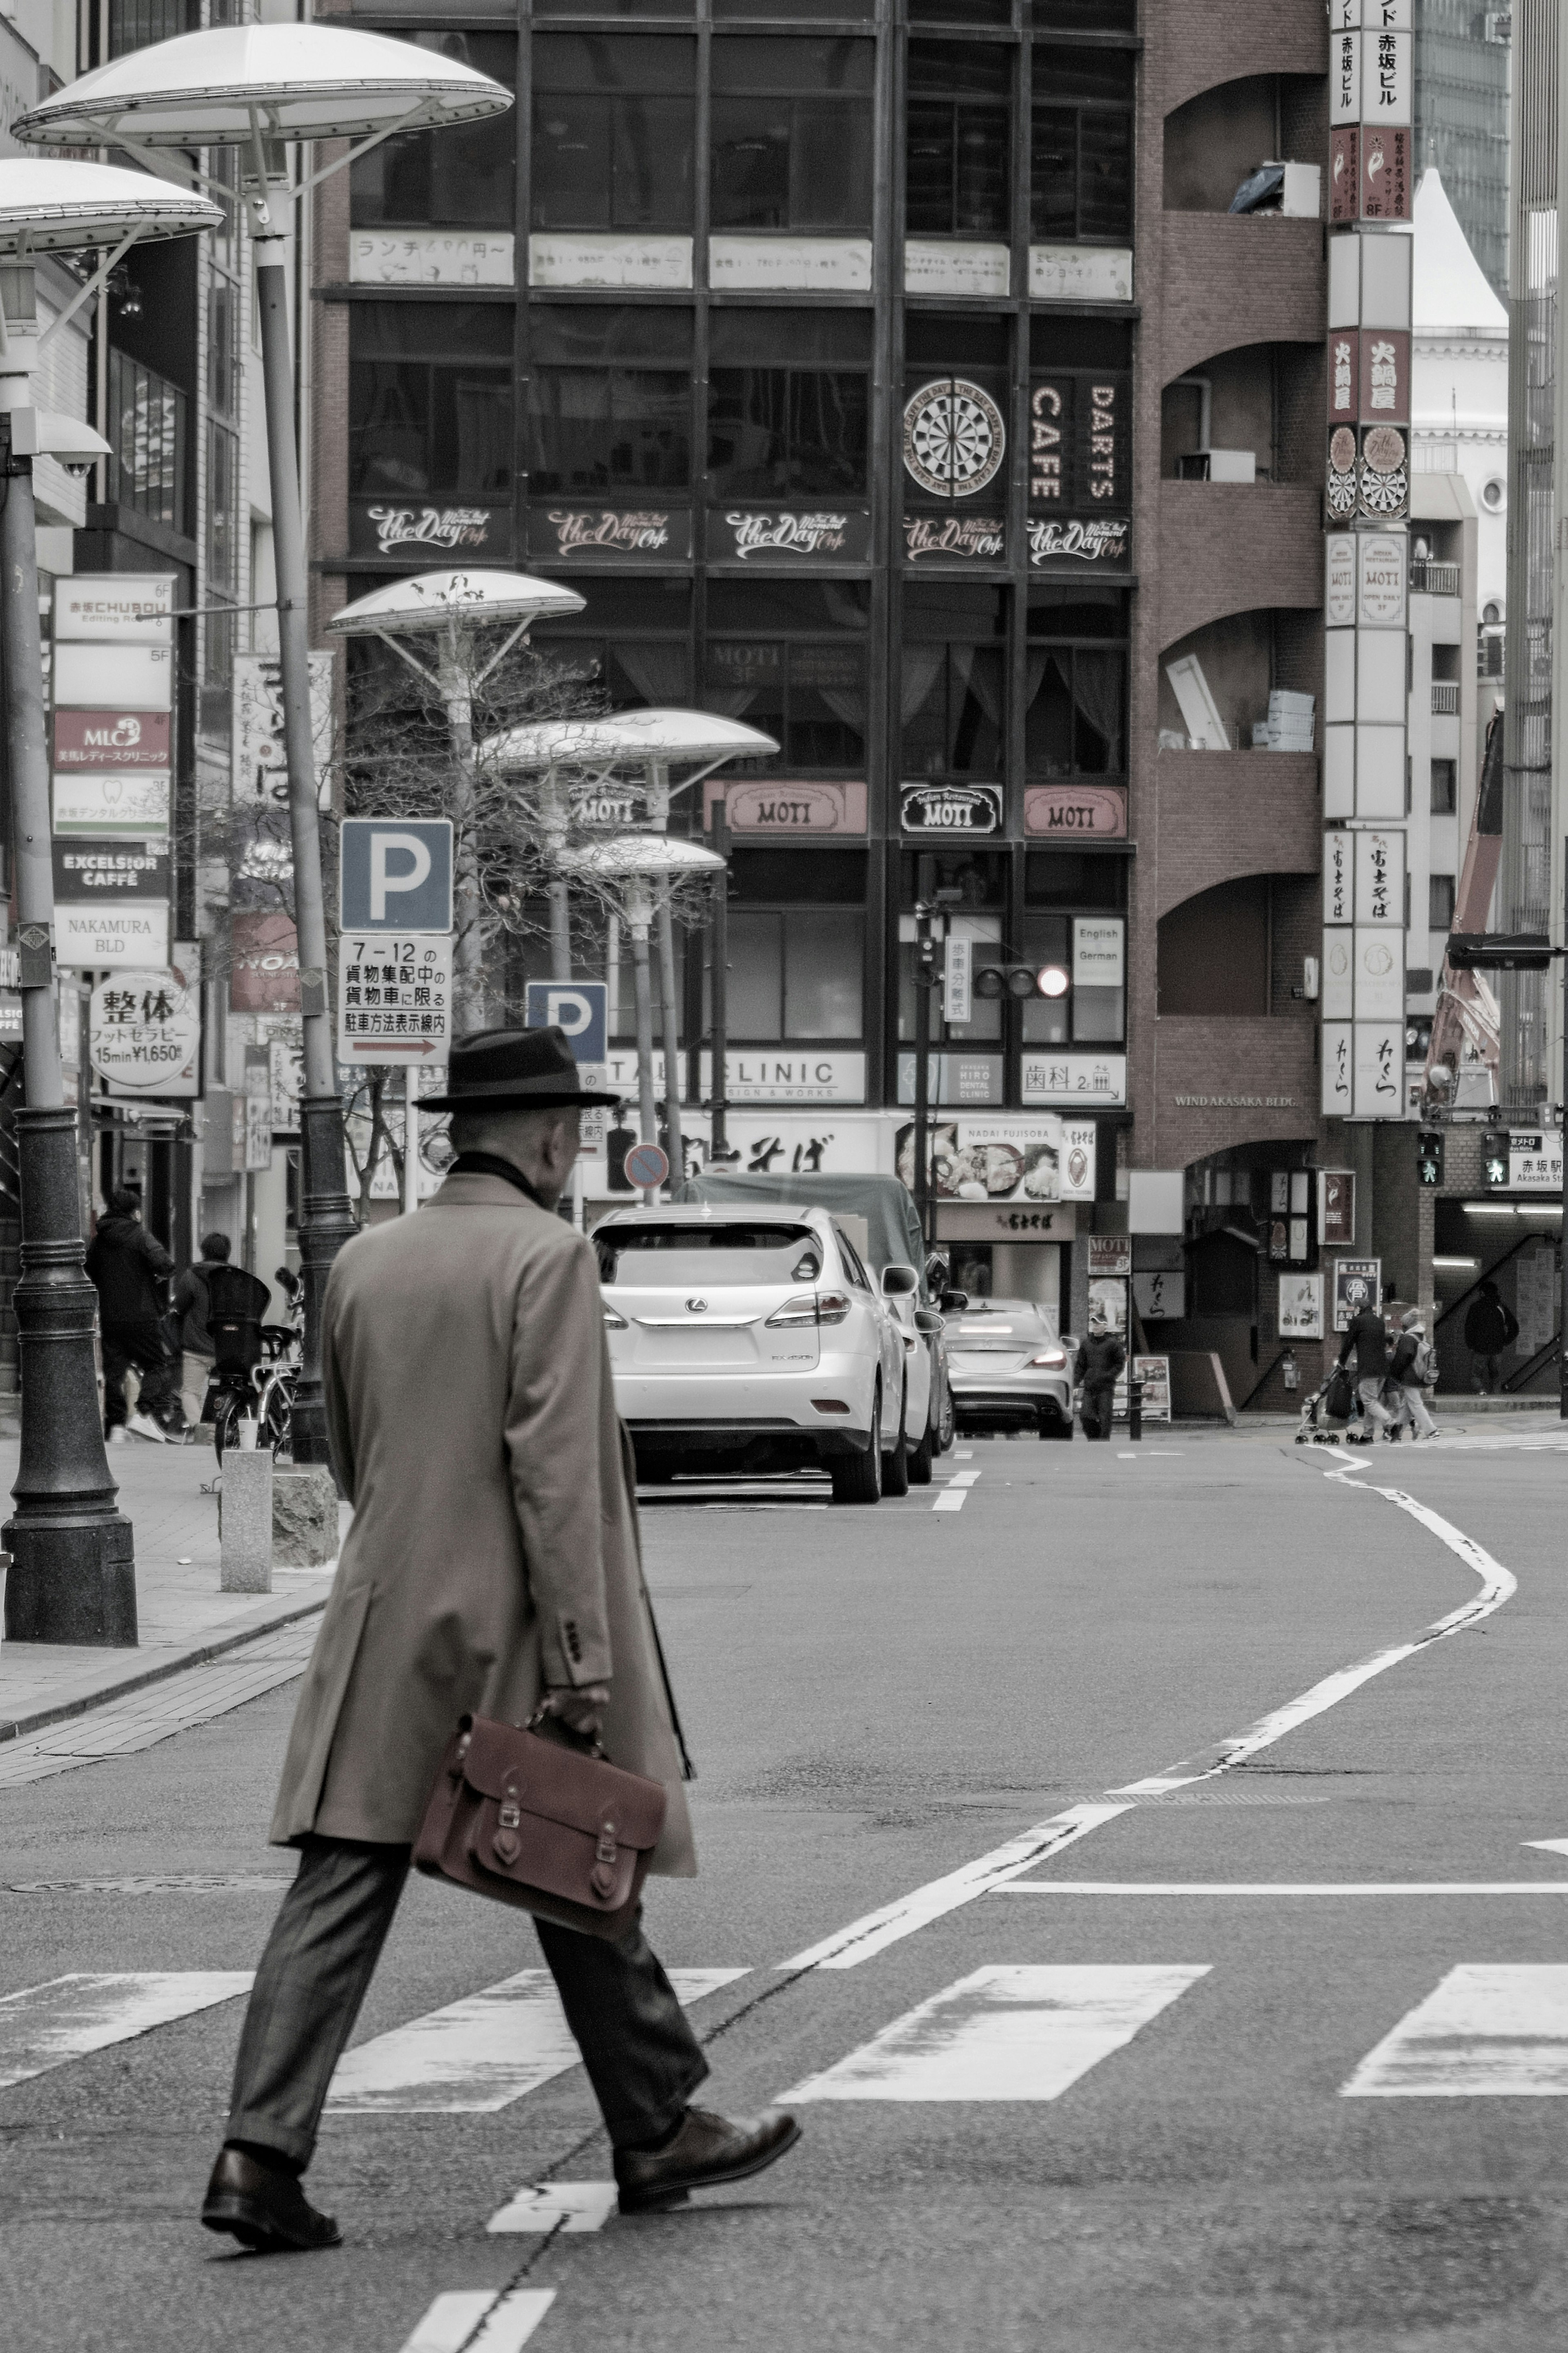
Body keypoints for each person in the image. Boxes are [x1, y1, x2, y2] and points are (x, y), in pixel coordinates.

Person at [201, 1026, 800, 2254]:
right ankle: (657, 2121)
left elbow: (351, 1455)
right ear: (547, 1131)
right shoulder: (549, 1260)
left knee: (340, 1880)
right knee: (574, 1858)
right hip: (511, 1625)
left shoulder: (364, 1261)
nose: (575, 1142)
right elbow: (557, 1477)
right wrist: (584, 1656)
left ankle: (257, 2157)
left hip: (381, 1616)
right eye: (572, 1123)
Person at [85, 1186, 182, 1443]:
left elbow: (90, 1271)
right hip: (142, 1316)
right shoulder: (140, 1235)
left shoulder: (100, 1239)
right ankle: (142, 1413)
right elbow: (166, 1265)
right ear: (134, 1211)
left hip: (111, 1317)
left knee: (114, 1374)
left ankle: (116, 1426)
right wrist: (157, 1277)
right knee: (157, 1366)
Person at [172, 1233, 271, 1426]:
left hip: (196, 1347)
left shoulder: (192, 1276)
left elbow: (180, 1307)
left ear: (204, 1251)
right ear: (228, 1253)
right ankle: (223, 1426)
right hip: (227, 1348)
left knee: (190, 1392)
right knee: (228, 1389)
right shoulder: (237, 1278)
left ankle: (200, 1429)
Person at [1336, 1291, 1393, 1444]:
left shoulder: (1358, 1321)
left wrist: (1341, 1362)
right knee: (1371, 1402)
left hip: (1369, 1369)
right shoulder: (1379, 1322)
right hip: (1382, 1370)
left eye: (1355, 1308)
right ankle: (1368, 1435)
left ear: (1358, 1308)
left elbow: (1348, 1343)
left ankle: (1390, 1423)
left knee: (1369, 1402)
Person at [1387, 1308, 1439, 1442]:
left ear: (1405, 1325)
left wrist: (1394, 1373)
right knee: (1407, 1406)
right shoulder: (1421, 1336)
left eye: (1402, 1326)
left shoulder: (1407, 1338)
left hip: (1410, 1376)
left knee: (1416, 1404)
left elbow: (1403, 1358)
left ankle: (1431, 1431)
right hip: (1421, 1374)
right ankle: (1397, 1432)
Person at [1075, 1317, 1126, 1441]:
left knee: (1105, 1417)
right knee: (1086, 1416)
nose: (1095, 1326)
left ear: (1105, 1326)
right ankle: (1094, 1439)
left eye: (1098, 1324)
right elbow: (1081, 1365)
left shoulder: (1112, 1344)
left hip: (1106, 1388)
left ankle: (1103, 1442)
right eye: (1094, 1323)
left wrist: (1109, 1376)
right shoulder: (1086, 1344)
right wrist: (1075, 1383)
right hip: (1090, 1387)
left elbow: (1120, 1363)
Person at [1464, 1279, 1518, 1394]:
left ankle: (1481, 1392)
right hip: (1497, 1349)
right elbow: (1514, 1327)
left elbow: (1469, 1328)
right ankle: (1496, 1396)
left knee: (1476, 1375)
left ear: (1482, 1293)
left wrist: (1471, 1344)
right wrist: (1505, 1341)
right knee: (1496, 1376)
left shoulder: (1475, 1308)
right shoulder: (1501, 1308)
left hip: (1480, 1349)